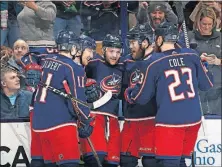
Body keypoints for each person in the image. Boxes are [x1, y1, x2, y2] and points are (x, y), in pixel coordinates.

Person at [124, 22, 214, 167]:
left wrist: (130, 92)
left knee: (169, 162)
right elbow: (207, 84)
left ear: (159, 40)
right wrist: (205, 67)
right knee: (182, 161)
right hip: (193, 121)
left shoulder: (154, 62)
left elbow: (141, 98)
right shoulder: (192, 55)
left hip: (170, 122)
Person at [19, 30, 94, 167]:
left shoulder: (46, 60)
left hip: (39, 124)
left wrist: (31, 67)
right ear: (72, 48)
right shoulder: (74, 68)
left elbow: (28, 56)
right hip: (61, 124)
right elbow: (78, 101)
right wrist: (85, 121)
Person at [80, 34, 123, 167]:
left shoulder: (124, 67)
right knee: (95, 159)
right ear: (103, 50)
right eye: (111, 51)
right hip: (95, 117)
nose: (114, 55)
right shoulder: (94, 64)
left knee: (112, 162)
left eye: (118, 52)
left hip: (114, 120)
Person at [120, 23, 157, 167]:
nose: (130, 46)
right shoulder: (126, 61)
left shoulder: (158, 61)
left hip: (151, 121)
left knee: (150, 162)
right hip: (130, 121)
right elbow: (121, 88)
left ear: (145, 42)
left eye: (133, 42)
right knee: (126, 160)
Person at [188, 7, 221, 115]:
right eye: (204, 24)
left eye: (210, 24)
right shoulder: (189, 37)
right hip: (196, 88)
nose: (207, 27)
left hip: (218, 90)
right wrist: (196, 59)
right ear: (198, 22)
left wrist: (218, 61)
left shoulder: (220, 38)